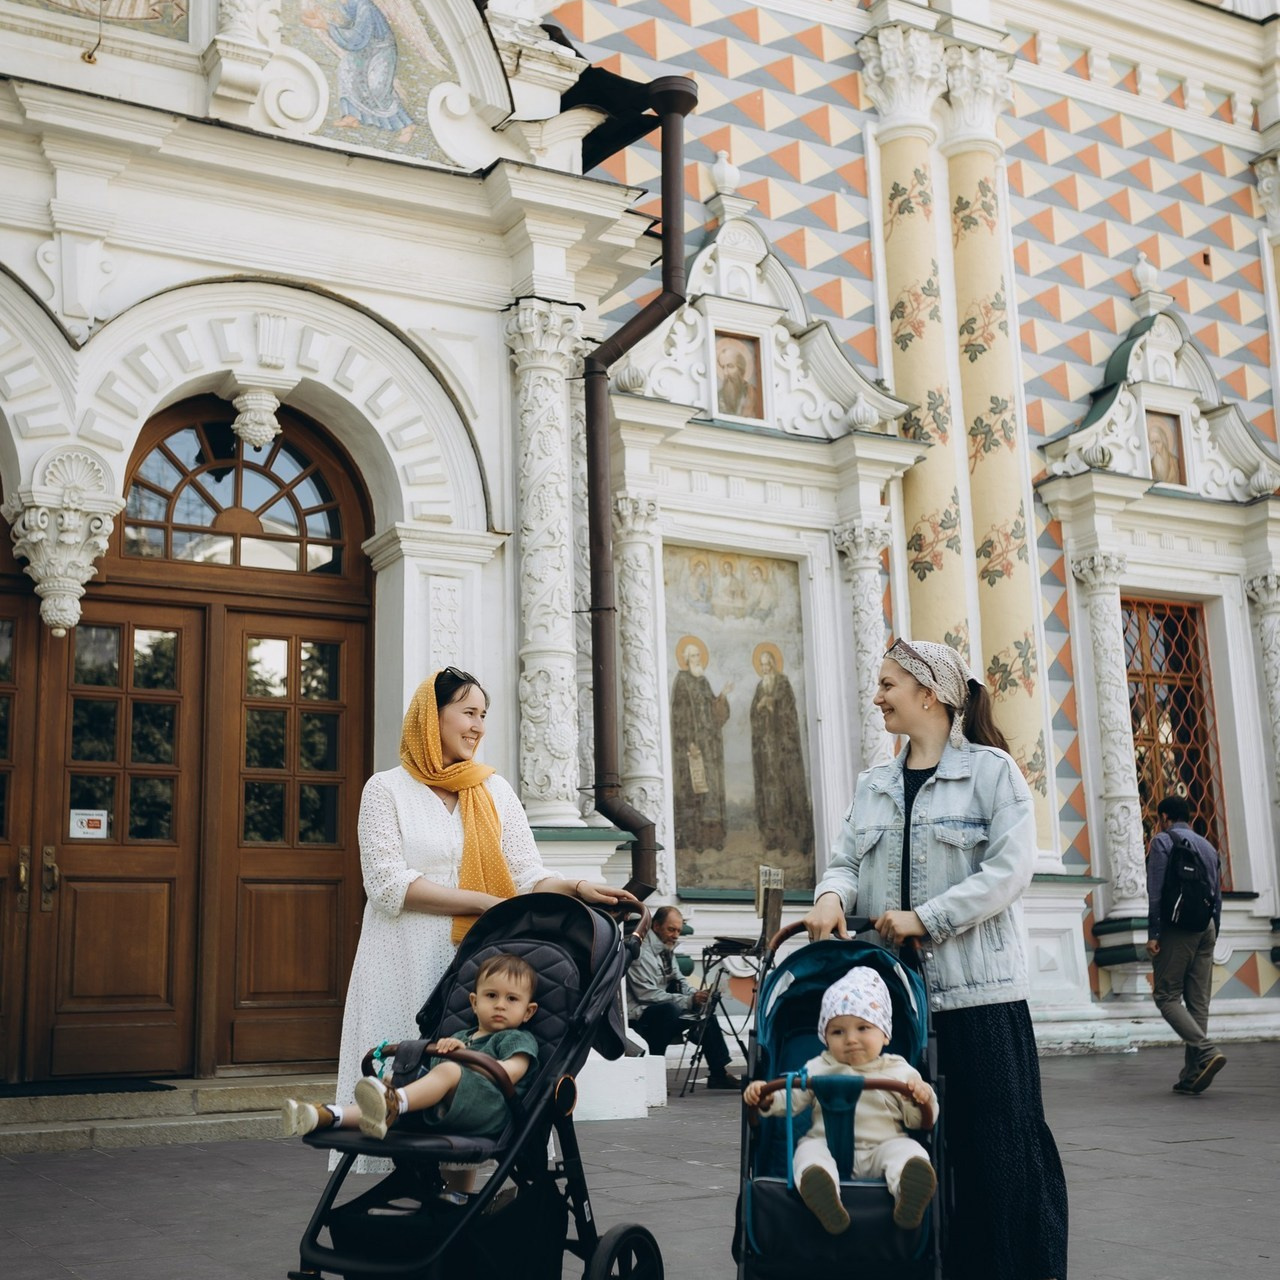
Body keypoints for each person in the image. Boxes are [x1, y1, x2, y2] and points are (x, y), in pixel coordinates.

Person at [800, 638, 1068, 1280]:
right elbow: (843, 859)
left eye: (888, 684)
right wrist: (832, 894)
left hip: (978, 999)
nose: (877, 696)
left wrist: (928, 918)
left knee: (998, 1152)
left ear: (931, 695)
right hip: (894, 1007)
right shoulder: (874, 784)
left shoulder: (993, 773)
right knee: (908, 1145)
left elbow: (1010, 870)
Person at [329, 666, 634, 1171]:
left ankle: (462, 1196)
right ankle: (405, 1180)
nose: (478, 726)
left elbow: (526, 873)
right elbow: (387, 885)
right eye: (468, 713)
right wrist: (485, 905)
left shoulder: (493, 791)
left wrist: (578, 886)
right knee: (404, 1065)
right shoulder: (386, 790)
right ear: (433, 717)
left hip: (477, 964)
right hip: (402, 957)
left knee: (467, 1075)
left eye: (483, 716)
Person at [744, 967, 937, 1235]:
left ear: (885, 1033)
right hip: (827, 1145)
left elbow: (919, 1120)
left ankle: (908, 1191)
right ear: (824, 1037)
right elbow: (791, 1098)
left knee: (909, 1152)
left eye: (863, 1027)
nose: (851, 1039)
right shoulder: (819, 1066)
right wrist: (764, 1097)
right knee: (807, 1154)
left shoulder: (898, 1070)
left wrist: (921, 1097)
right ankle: (823, 1193)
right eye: (837, 1032)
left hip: (882, 1146)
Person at [283, 953, 540, 1141]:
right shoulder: (461, 1036)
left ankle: (394, 1103)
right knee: (395, 1078)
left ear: (528, 1012)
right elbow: (436, 1077)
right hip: (453, 1107)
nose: (500, 1005)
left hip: (492, 1110)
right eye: (491, 996)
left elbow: (508, 1073)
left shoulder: (517, 1039)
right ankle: (328, 1115)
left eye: (512, 999)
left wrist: (462, 1059)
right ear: (474, 1002)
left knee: (447, 1072)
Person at [1145, 795, 1226, 1094]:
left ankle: (1205, 1051)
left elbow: (1156, 892)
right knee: (1198, 1003)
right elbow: (1217, 894)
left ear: (1164, 817)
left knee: (1166, 996)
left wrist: (1154, 933)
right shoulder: (1207, 845)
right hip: (1207, 926)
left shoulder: (1163, 842)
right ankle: (1193, 1074)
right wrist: (1215, 931)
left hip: (1178, 929)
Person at [626, 906, 742, 1089]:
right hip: (640, 1015)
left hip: (663, 1007)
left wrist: (698, 996)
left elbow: (679, 979)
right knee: (669, 1011)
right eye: (671, 929)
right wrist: (688, 1001)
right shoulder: (641, 952)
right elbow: (645, 995)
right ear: (656, 926)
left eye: (678, 931)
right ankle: (654, 1077)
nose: (675, 935)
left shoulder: (666, 949)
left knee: (705, 1013)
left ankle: (718, 1073)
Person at [749, 644, 813, 856]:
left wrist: (773, 704)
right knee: (770, 795)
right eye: (762, 665)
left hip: (784, 752)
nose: (765, 668)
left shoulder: (783, 683)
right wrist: (760, 708)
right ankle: (772, 837)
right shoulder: (760, 686)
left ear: (774, 665)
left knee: (786, 793)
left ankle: (790, 839)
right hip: (766, 754)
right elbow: (754, 714)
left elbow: (788, 711)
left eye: (768, 664)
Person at [670, 637, 732, 853]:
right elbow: (679, 716)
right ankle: (695, 840)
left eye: (699, 655)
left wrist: (722, 696)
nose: (698, 659)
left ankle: (713, 839)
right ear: (686, 659)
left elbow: (715, 713)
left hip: (711, 748)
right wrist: (689, 741)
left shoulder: (703, 681)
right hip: (693, 749)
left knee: (712, 792)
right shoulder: (682, 681)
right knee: (695, 792)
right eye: (693, 655)